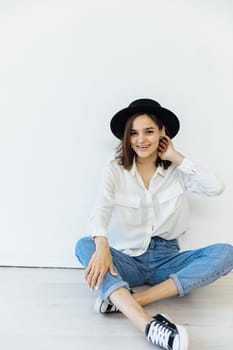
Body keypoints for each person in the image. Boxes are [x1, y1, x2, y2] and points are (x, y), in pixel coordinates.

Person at [75, 98, 233, 350]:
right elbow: (100, 210)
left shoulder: (177, 170)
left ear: (162, 133)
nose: (141, 139)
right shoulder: (114, 169)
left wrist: (178, 158)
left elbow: (217, 187)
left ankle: (128, 300)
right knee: (85, 245)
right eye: (134, 133)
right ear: (127, 138)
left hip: (168, 260)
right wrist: (102, 244)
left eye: (149, 131)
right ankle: (147, 325)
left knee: (227, 253)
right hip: (129, 261)